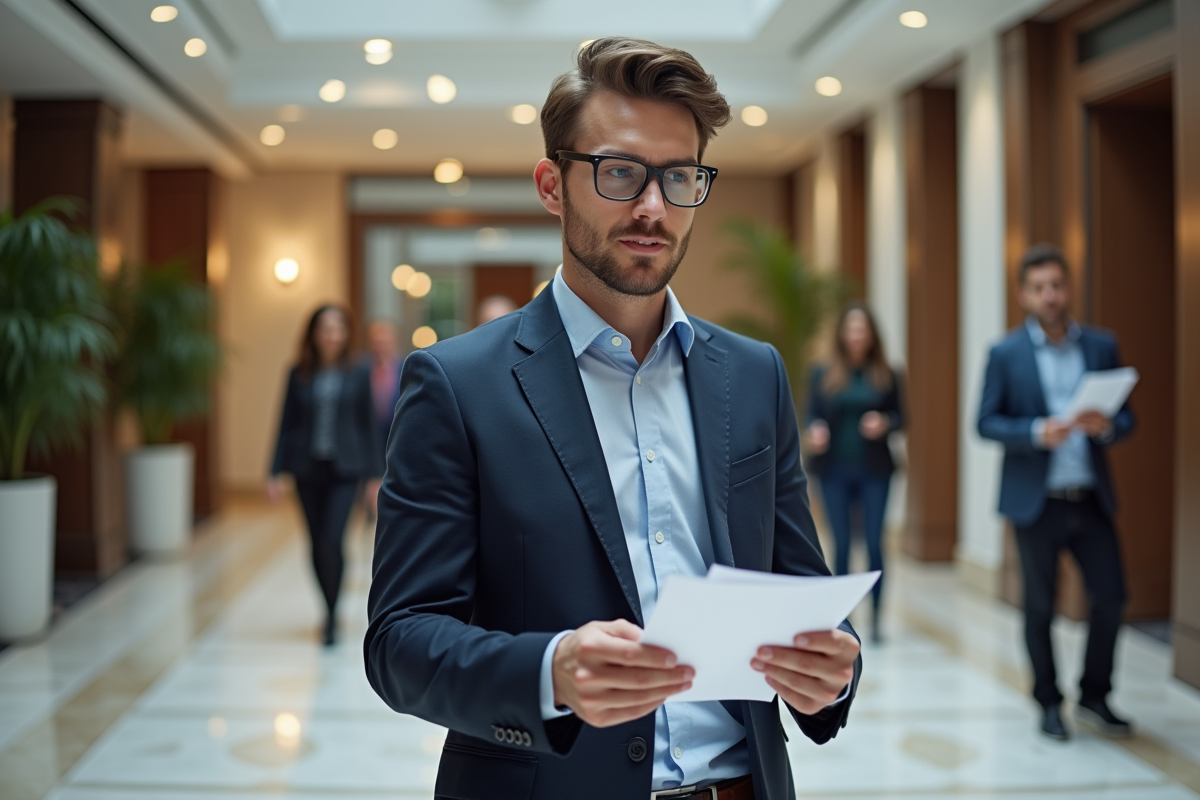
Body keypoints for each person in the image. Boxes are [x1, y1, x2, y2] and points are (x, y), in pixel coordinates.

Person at [365, 37, 861, 800]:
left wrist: (835, 668)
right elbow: (400, 642)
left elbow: (799, 589)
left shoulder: (754, 375)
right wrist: (549, 672)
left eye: (680, 177)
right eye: (621, 172)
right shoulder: (456, 386)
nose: (653, 208)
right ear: (552, 184)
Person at [977, 243, 1134, 741]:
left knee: (1111, 596)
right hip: (1035, 501)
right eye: (1040, 287)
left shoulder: (1101, 346)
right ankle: (1048, 701)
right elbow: (984, 422)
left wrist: (1107, 425)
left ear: (1068, 288)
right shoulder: (1005, 354)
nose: (1050, 295)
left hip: (1089, 496)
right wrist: (1034, 432)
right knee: (1040, 607)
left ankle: (1094, 694)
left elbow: (1128, 418)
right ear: (1024, 294)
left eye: (1057, 285)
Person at [268, 305, 384, 646]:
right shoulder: (298, 373)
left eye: (338, 328)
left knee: (333, 540)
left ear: (346, 333)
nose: (332, 334)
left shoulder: (359, 372)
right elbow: (285, 424)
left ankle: (333, 615)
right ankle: (326, 606)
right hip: (306, 468)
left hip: (346, 470)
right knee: (316, 543)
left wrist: (375, 475)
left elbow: (368, 426)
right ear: (314, 334)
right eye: (325, 328)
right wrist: (273, 471)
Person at [804, 303, 903, 644]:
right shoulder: (823, 373)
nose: (857, 336)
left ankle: (876, 619)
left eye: (863, 329)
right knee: (842, 544)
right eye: (851, 329)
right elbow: (812, 415)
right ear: (842, 334)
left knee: (875, 543)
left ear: (872, 335)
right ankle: (843, 620)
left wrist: (885, 422)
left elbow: (902, 418)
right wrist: (815, 430)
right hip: (833, 471)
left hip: (875, 470)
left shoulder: (888, 374)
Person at [364, 320, 403, 451]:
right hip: (369, 436)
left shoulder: (404, 369)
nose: (381, 347)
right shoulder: (363, 370)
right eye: (377, 343)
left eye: (384, 342)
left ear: (393, 341)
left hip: (396, 435)